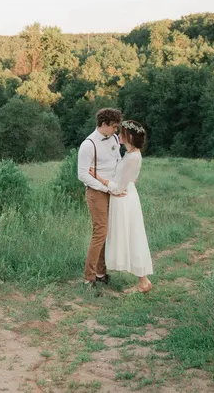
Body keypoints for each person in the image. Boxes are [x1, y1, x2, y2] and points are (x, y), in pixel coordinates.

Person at [91, 119, 154, 294]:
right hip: (127, 197)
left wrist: (96, 176)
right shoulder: (131, 154)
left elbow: (118, 188)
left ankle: (144, 282)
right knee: (132, 236)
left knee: (133, 237)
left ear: (129, 136)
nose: (119, 135)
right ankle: (143, 280)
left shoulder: (132, 157)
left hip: (124, 200)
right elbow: (130, 179)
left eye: (122, 133)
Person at [77, 107, 123, 287]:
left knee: (107, 232)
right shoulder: (88, 144)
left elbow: (117, 161)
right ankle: (89, 278)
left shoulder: (115, 138)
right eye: (113, 126)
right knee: (100, 232)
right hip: (97, 192)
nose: (116, 130)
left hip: (113, 189)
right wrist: (104, 187)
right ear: (103, 124)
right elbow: (82, 174)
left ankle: (101, 273)